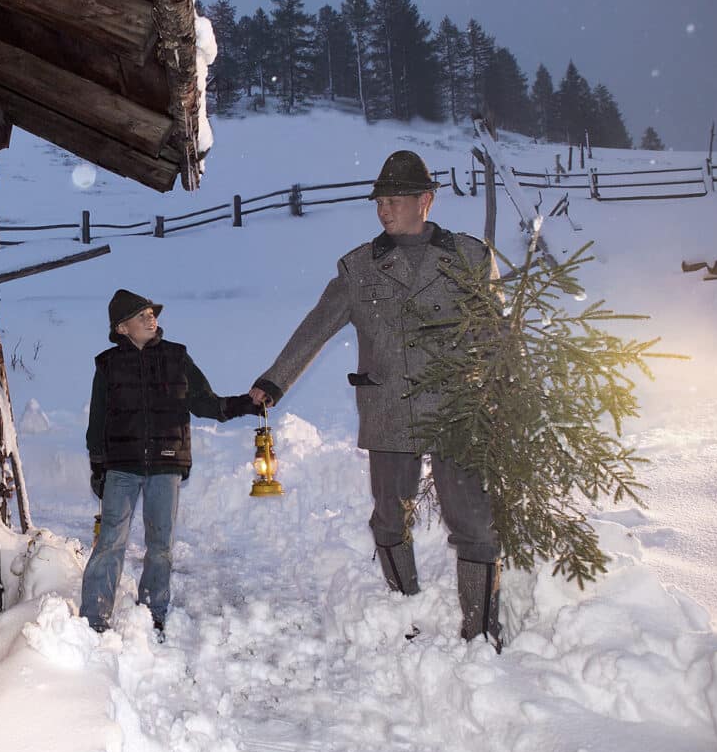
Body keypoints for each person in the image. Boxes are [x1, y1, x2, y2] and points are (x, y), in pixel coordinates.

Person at [248, 150, 505, 649]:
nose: (384, 210)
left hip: (458, 408)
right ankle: (404, 603)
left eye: (394, 200)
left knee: (473, 520)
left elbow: (497, 336)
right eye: (379, 202)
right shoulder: (360, 268)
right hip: (390, 407)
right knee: (390, 516)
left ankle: (481, 631)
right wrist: (274, 381)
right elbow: (315, 328)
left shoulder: (471, 258)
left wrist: (505, 395)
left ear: (425, 201)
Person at [81, 288, 261, 639]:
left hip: (166, 463)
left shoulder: (177, 357)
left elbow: (206, 402)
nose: (152, 318)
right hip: (121, 465)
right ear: (122, 328)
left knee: (160, 544)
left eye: (152, 313)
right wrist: (98, 465)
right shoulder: (107, 364)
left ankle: (153, 612)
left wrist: (244, 404)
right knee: (110, 544)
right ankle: (94, 619)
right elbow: (98, 418)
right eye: (142, 315)